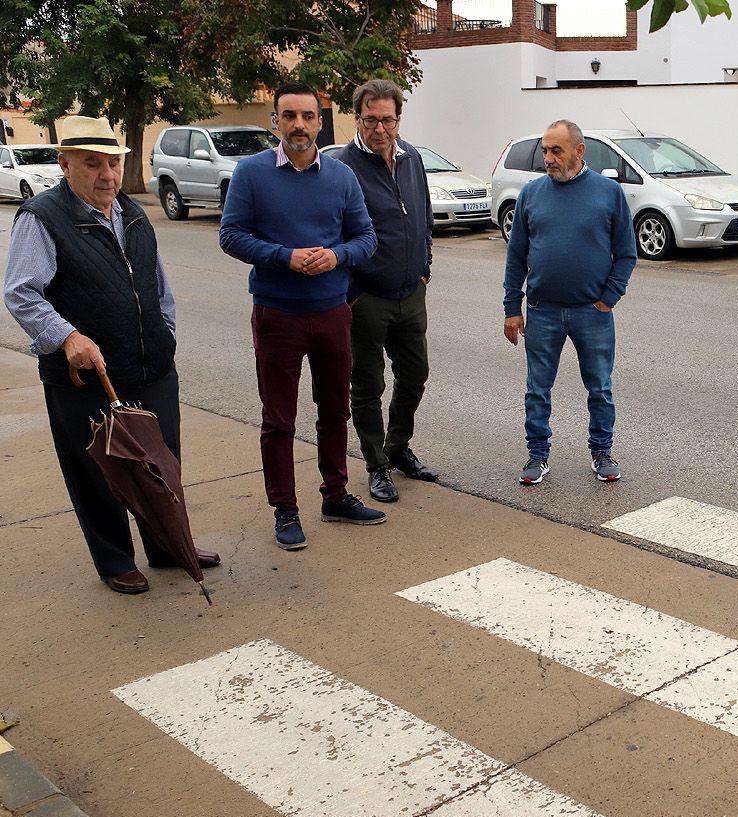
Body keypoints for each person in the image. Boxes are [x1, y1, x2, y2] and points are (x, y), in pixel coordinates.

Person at [3, 115, 219, 594]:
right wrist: (65, 337)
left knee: (161, 465)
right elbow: (21, 292)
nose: (106, 175)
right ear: (64, 165)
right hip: (85, 376)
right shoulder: (42, 217)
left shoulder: (133, 213)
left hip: (150, 366)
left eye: (113, 163)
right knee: (97, 471)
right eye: (91, 163)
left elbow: (158, 285)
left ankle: (167, 546)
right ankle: (115, 559)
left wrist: (166, 333)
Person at [220, 81, 383, 550]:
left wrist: (336, 256)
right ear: (276, 121)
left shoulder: (339, 177)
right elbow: (231, 236)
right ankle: (285, 509)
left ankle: (335, 495)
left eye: (308, 116)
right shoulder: (251, 173)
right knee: (279, 420)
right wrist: (283, 256)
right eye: (289, 116)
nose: (298, 125)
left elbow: (366, 238)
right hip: (277, 315)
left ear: (319, 121)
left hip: (333, 312)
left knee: (335, 410)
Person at [502, 119, 637, 485]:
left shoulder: (608, 193)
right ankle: (537, 456)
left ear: (579, 151)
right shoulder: (531, 193)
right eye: (545, 150)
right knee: (537, 389)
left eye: (556, 150)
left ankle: (602, 452)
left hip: (591, 312)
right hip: (542, 312)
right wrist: (512, 309)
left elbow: (627, 253)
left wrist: (609, 298)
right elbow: (516, 256)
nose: (548, 158)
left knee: (600, 387)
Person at [333, 78, 437, 504]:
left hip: (411, 292)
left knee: (415, 375)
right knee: (368, 385)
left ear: (399, 118)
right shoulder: (342, 167)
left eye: (388, 120)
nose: (380, 129)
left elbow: (425, 215)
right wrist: (352, 289)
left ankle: (397, 447)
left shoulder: (411, 158)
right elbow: (334, 233)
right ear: (357, 118)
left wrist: (425, 268)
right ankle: (376, 464)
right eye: (371, 120)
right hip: (367, 297)